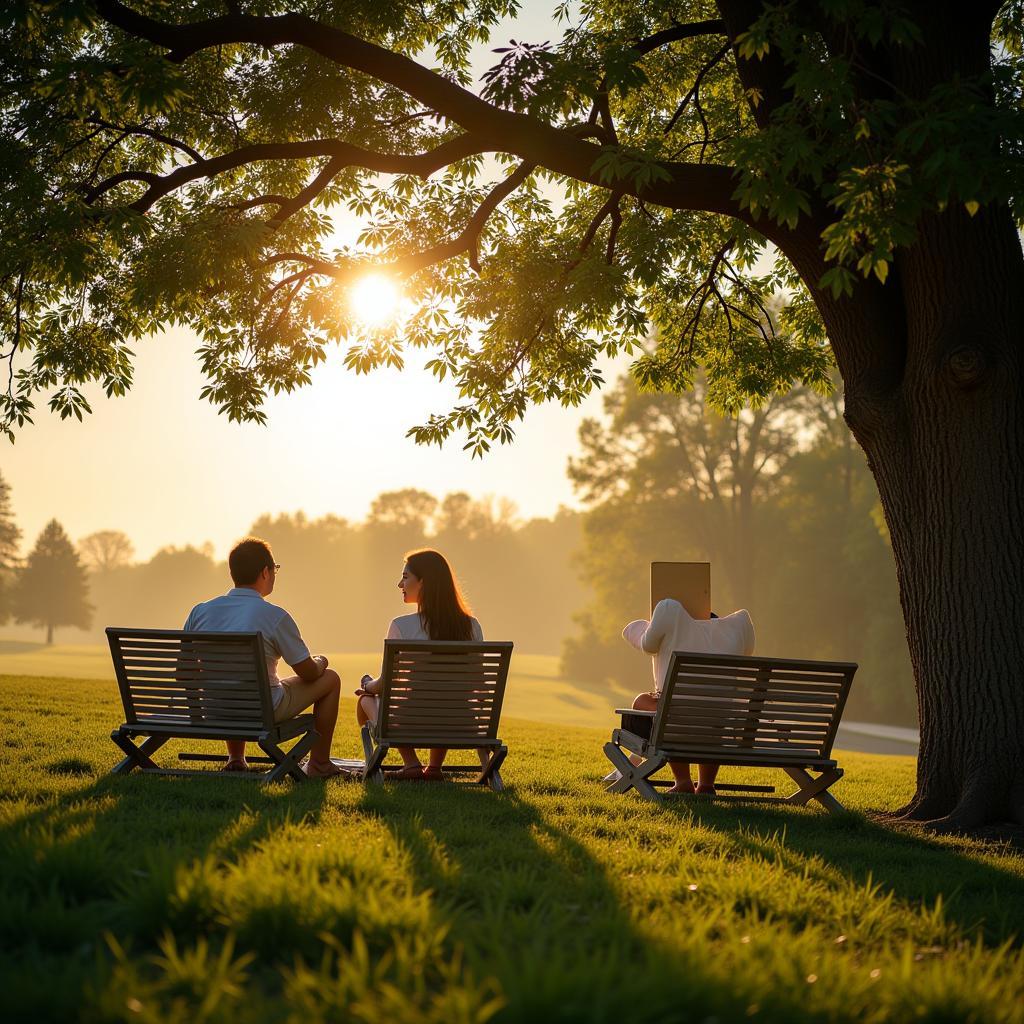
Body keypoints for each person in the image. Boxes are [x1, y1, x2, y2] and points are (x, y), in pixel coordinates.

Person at [183, 536, 346, 778]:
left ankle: (236, 758)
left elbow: (183, 671)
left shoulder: (200, 611)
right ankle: (320, 764)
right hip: (262, 709)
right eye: (275, 569)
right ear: (265, 572)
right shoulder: (273, 616)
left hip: (214, 709)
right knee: (330, 679)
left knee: (234, 684)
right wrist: (322, 661)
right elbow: (309, 673)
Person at [355, 548, 483, 781]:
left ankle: (411, 763)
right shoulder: (472, 626)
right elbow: (479, 686)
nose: (399, 584)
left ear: (423, 582)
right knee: (445, 697)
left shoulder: (401, 626)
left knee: (365, 699)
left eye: (405, 577)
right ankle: (434, 768)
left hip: (409, 724)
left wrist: (367, 684)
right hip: (461, 723)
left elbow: (384, 685)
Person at [622, 598, 755, 795]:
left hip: (678, 722)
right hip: (719, 727)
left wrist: (643, 625)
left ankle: (683, 781)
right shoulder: (732, 638)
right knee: (714, 711)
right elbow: (747, 654)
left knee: (652, 705)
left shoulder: (669, 612)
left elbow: (646, 644)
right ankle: (706, 785)